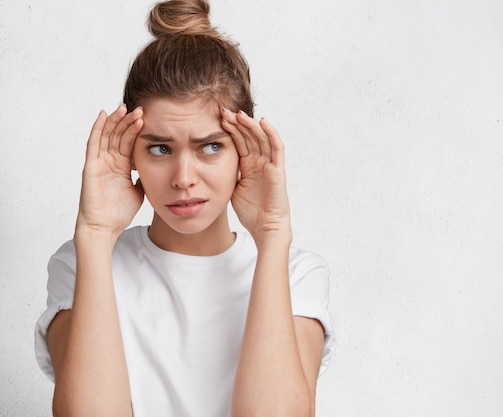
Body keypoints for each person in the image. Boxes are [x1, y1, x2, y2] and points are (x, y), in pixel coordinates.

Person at [34, 1, 336, 416]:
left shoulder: (295, 274)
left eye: (210, 146)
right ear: (130, 152)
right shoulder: (82, 264)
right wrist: (94, 232)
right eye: (160, 148)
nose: (183, 178)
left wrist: (272, 234)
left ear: (244, 150)